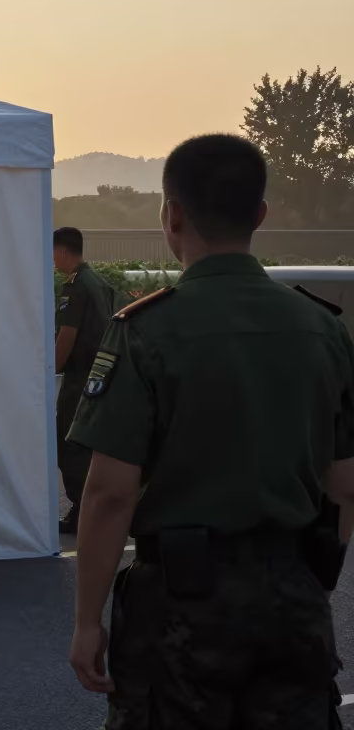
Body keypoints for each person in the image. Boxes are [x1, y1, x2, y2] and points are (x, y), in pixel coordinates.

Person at [66, 135, 354, 727]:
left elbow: (110, 492)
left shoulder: (145, 330)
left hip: (178, 604)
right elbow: (345, 486)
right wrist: (304, 581)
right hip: (292, 593)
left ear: (172, 215)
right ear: (261, 215)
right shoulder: (322, 330)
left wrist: (87, 620)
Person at [52, 226, 115, 534]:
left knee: (68, 443)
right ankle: (93, 509)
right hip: (101, 376)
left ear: (62, 250)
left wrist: (50, 368)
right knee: (90, 446)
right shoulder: (99, 282)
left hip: (79, 379)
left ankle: (81, 510)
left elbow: (67, 335)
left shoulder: (74, 286)